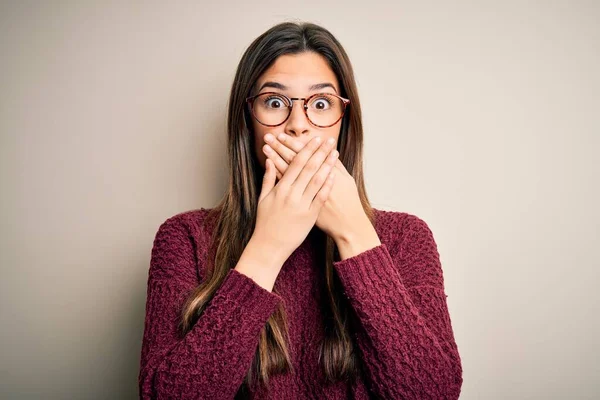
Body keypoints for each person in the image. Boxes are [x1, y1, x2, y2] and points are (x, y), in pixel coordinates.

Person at [138, 21, 463, 400]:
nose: (298, 126)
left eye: (320, 104)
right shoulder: (185, 239)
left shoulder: (407, 238)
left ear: (344, 121)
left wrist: (354, 234)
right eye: (274, 103)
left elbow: (433, 394)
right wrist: (267, 248)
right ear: (247, 121)